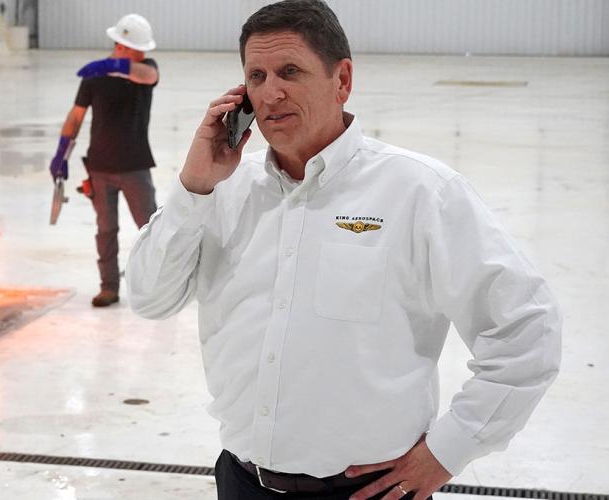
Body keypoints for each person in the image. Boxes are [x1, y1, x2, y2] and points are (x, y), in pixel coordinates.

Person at [126, 1, 562, 499]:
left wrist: (450, 450)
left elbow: (527, 327)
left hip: (368, 491)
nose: (270, 93)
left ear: (343, 80)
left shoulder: (421, 192)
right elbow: (149, 298)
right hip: (243, 481)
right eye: (256, 76)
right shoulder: (221, 190)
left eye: (290, 71)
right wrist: (194, 187)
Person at [50, 13, 160, 307]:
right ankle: (109, 287)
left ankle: (159, 285)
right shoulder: (94, 78)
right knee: (105, 230)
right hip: (99, 167)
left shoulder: (145, 68)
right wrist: (61, 153)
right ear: (122, 46)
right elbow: (76, 117)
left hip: (135, 166)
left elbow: (149, 75)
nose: (143, 54)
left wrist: (112, 66)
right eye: (138, 49)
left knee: (151, 228)